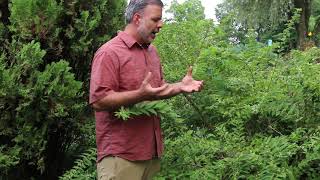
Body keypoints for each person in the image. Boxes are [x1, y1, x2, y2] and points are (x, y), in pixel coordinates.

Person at [89, 0, 204, 179]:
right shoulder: (109, 52)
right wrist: (139, 95)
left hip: (150, 155)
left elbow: (156, 91)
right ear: (137, 18)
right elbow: (98, 100)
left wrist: (180, 87)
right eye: (156, 19)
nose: (161, 25)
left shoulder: (152, 52)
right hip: (121, 157)